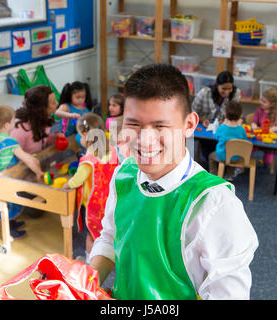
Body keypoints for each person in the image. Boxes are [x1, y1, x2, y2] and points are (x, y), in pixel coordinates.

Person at [89, 63, 258, 300]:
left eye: (160, 126)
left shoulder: (215, 204)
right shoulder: (123, 175)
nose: (145, 140)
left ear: (189, 124)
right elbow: (109, 237)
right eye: (134, 124)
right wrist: (81, 283)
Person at [62, 113, 119, 264]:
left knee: (92, 235)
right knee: (109, 232)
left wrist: (67, 184)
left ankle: (89, 262)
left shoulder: (89, 160)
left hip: (95, 205)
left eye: (79, 134)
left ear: (86, 134)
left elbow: (77, 180)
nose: (79, 138)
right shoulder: (113, 151)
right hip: (111, 200)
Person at [0, 105, 44, 239]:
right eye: (13, 120)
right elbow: (28, 159)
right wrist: (39, 172)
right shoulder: (10, 143)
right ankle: (8, 229)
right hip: (6, 178)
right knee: (8, 203)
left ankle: (11, 222)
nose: (15, 122)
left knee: (9, 203)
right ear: (6, 125)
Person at [191, 71, 241, 168]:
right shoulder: (205, 93)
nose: (227, 92)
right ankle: (216, 165)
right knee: (209, 152)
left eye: (230, 88)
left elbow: (234, 113)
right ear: (217, 85)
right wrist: (202, 120)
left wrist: (227, 121)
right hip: (206, 130)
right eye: (223, 89)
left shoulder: (235, 93)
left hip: (224, 129)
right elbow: (192, 112)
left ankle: (222, 165)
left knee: (225, 147)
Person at [10, 85, 64, 154]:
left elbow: (41, 142)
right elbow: (10, 156)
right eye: (53, 102)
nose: (57, 104)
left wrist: (54, 138)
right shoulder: (19, 129)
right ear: (41, 108)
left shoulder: (43, 118)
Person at [211, 101, 248, 181]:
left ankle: (213, 174)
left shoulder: (222, 128)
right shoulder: (242, 129)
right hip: (236, 156)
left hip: (222, 156)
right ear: (240, 116)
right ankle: (229, 175)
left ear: (225, 115)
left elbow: (216, 137)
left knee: (211, 156)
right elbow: (244, 140)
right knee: (232, 154)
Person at [251, 88, 277, 167]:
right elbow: (254, 122)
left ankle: (266, 163)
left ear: (272, 104)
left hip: (268, 141)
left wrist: (270, 130)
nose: (261, 102)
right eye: (261, 100)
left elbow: (276, 127)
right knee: (247, 150)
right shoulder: (259, 110)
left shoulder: (276, 113)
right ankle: (240, 165)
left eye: (264, 102)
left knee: (268, 161)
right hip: (257, 138)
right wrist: (254, 126)